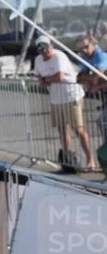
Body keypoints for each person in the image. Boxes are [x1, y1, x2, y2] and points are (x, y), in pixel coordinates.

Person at [34, 35, 96, 172]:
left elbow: (59, 76)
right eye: (41, 50)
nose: (45, 52)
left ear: (51, 47)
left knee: (78, 129)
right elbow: (39, 77)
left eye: (46, 49)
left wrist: (47, 80)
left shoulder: (59, 56)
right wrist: (45, 80)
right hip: (56, 98)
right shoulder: (38, 60)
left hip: (71, 96)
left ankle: (90, 160)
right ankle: (68, 161)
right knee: (62, 130)